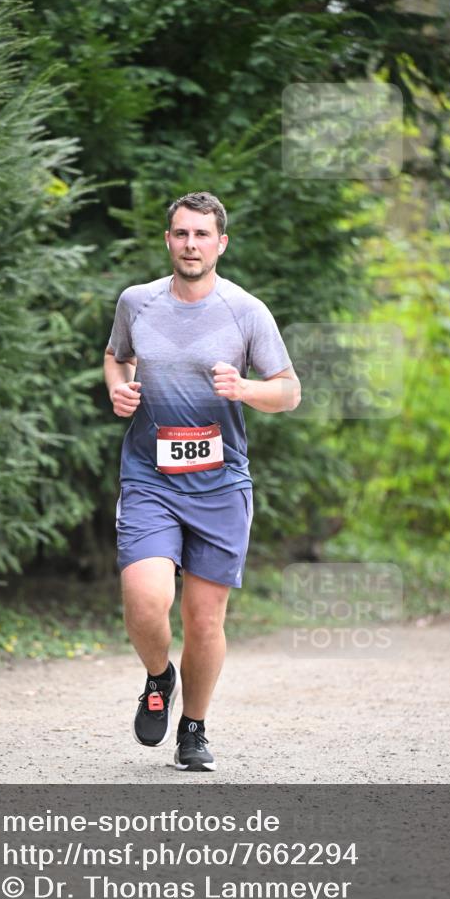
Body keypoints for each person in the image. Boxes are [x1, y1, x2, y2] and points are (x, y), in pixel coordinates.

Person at [103, 192, 300, 772]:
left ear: (221, 243)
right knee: (147, 601)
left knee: (204, 619)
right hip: (150, 477)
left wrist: (246, 389)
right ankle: (158, 675)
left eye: (202, 235)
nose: (191, 244)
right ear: (169, 240)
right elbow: (116, 356)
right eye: (182, 233)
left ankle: (194, 729)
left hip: (220, 484)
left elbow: (288, 390)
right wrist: (119, 387)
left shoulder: (246, 311)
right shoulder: (137, 302)